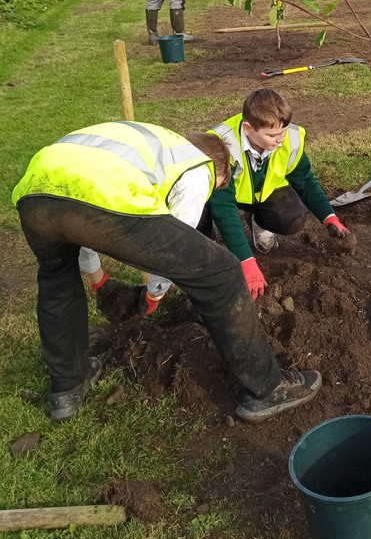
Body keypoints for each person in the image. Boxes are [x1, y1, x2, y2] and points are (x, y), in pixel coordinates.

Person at [13, 122, 322, 422]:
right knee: (222, 271)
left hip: (36, 193)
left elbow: (75, 221)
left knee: (56, 277)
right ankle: (268, 388)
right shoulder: (198, 167)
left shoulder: (162, 147)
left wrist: (99, 280)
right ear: (222, 172)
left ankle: (68, 386)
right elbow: (174, 256)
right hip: (100, 196)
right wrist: (153, 295)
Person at [202, 88, 353, 297]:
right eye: (272, 135)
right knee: (202, 220)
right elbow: (224, 208)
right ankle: (204, 256)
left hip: (264, 193)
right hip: (221, 196)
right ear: (248, 129)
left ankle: (259, 221)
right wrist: (246, 261)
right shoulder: (223, 145)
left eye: (283, 131)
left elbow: (305, 182)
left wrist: (330, 218)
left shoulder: (288, 138)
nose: (281, 139)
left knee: (292, 217)